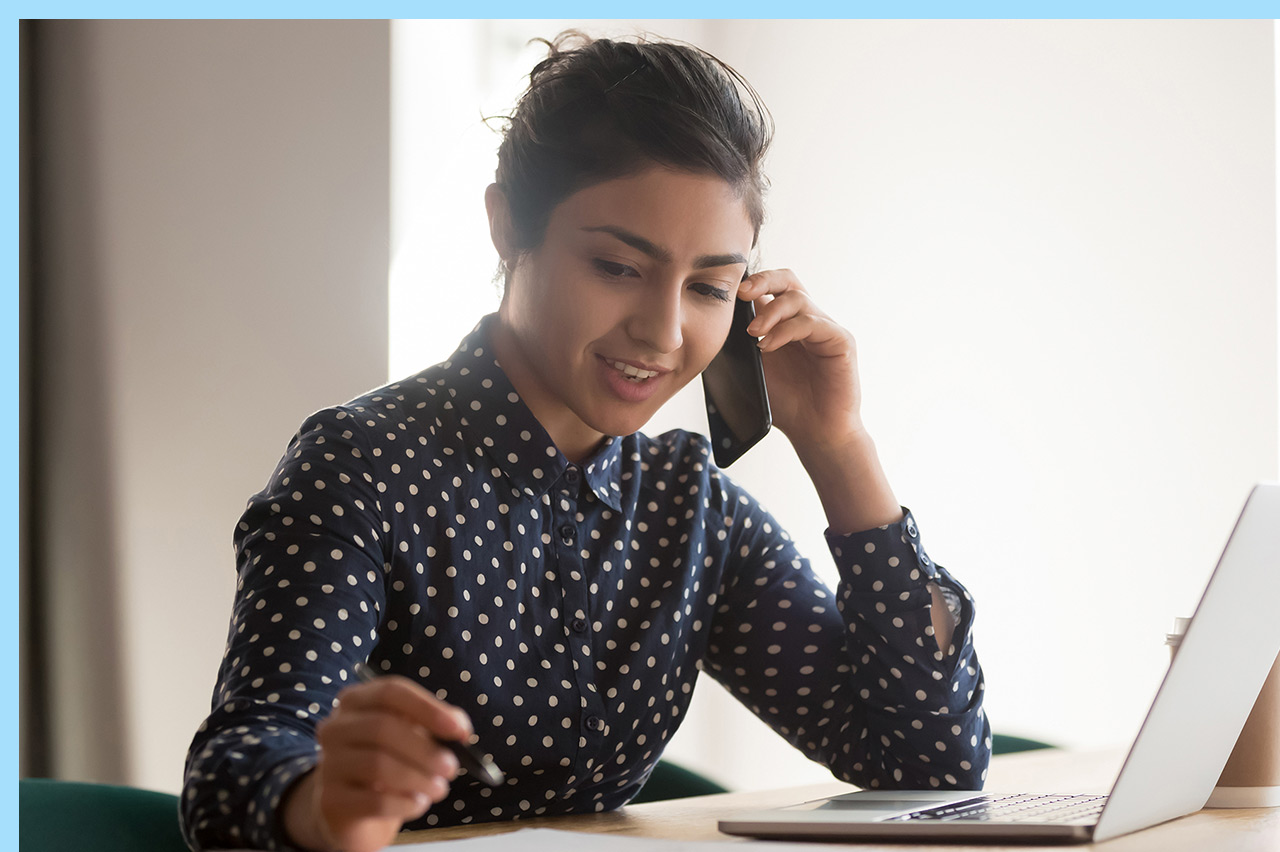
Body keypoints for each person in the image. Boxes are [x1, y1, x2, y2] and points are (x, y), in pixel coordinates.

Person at [181, 31, 990, 852]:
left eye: (709, 286)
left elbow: (929, 764)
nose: (664, 331)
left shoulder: (687, 506)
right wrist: (324, 807)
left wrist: (838, 444)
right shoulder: (362, 464)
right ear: (507, 228)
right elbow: (235, 770)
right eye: (617, 266)